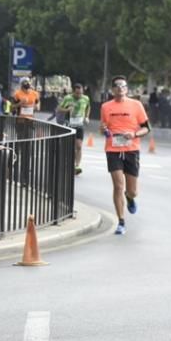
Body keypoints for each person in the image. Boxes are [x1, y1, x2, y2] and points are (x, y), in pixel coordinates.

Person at [99, 76, 150, 235]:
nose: (120, 88)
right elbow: (103, 127)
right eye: (117, 86)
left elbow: (146, 128)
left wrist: (134, 134)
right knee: (118, 186)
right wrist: (104, 131)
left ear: (127, 89)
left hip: (131, 149)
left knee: (132, 190)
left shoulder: (136, 105)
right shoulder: (106, 107)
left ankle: (130, 198)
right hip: (113, 149)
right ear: (112, 89)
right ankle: (121, 222)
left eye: (123, 86)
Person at [57, 83, 91, 175]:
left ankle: (77, 165)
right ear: (73, 92)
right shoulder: (68, 98)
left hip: (79, 124)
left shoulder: (86, 98)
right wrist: (67, 110)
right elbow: (59, 109)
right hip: (69, 124)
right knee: (69, 146)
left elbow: (88, 107)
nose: (79, 95)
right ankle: (67, 163)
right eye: (77, 93)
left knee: (79, 146)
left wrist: (87, 116)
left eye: (80, 93)